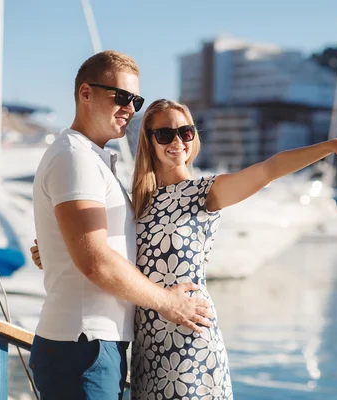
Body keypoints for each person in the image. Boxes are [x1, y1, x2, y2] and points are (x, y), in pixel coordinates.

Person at [127, 99, 337, 399]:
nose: (177, 142)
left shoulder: (204, 193)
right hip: (146, 345)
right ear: (149, 140)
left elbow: (268, 170)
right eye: (165, 134)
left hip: (188, 343)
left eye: (185, 132)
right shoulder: (141, 201)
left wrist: (329, 146)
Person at [29, 51, 213, 400]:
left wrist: (54, 252)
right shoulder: (75, 157)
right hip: (83, 347)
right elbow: (95, 260)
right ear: (86, 93)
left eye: (136, 100)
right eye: (121, 97)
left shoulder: (91, 158)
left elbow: (93, 244)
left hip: (93, 345)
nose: (131, 108)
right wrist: (168, 303)